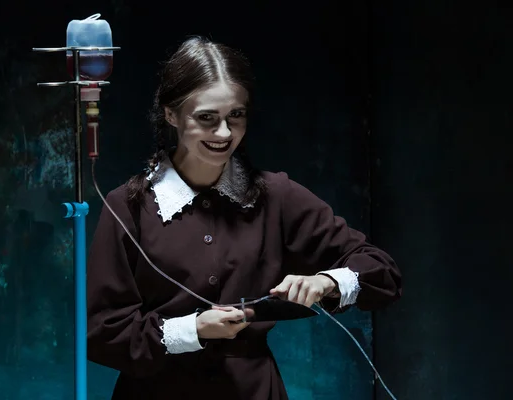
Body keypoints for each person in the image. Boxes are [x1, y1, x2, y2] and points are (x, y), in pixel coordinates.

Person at [86, 36, 402, 400]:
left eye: (235, 115)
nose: (224, 133)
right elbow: (102, 333)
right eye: (207, 118)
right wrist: (193, 330)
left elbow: (383, 272)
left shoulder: (277, 196)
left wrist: (327, 282)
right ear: (170, 114)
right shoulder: (127, 206)